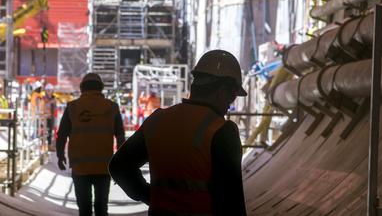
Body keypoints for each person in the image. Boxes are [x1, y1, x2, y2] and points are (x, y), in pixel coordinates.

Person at [109, 50, 248, 215]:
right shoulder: (221, 131)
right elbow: (232, 201)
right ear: (222, 91)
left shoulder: (158, 120)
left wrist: (150, 196)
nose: (230, 104)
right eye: (232, 97)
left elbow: (119, 166)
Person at [56, 73, 126, 216]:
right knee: (101, 208)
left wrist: (60, 155)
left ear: (82, 88)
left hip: (80, 167)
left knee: (84, 209)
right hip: (104, 167)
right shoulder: (112, 107)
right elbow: (120, 136)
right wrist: (120, 163)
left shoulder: (72, 107)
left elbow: (62, 134)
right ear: (100, 88)